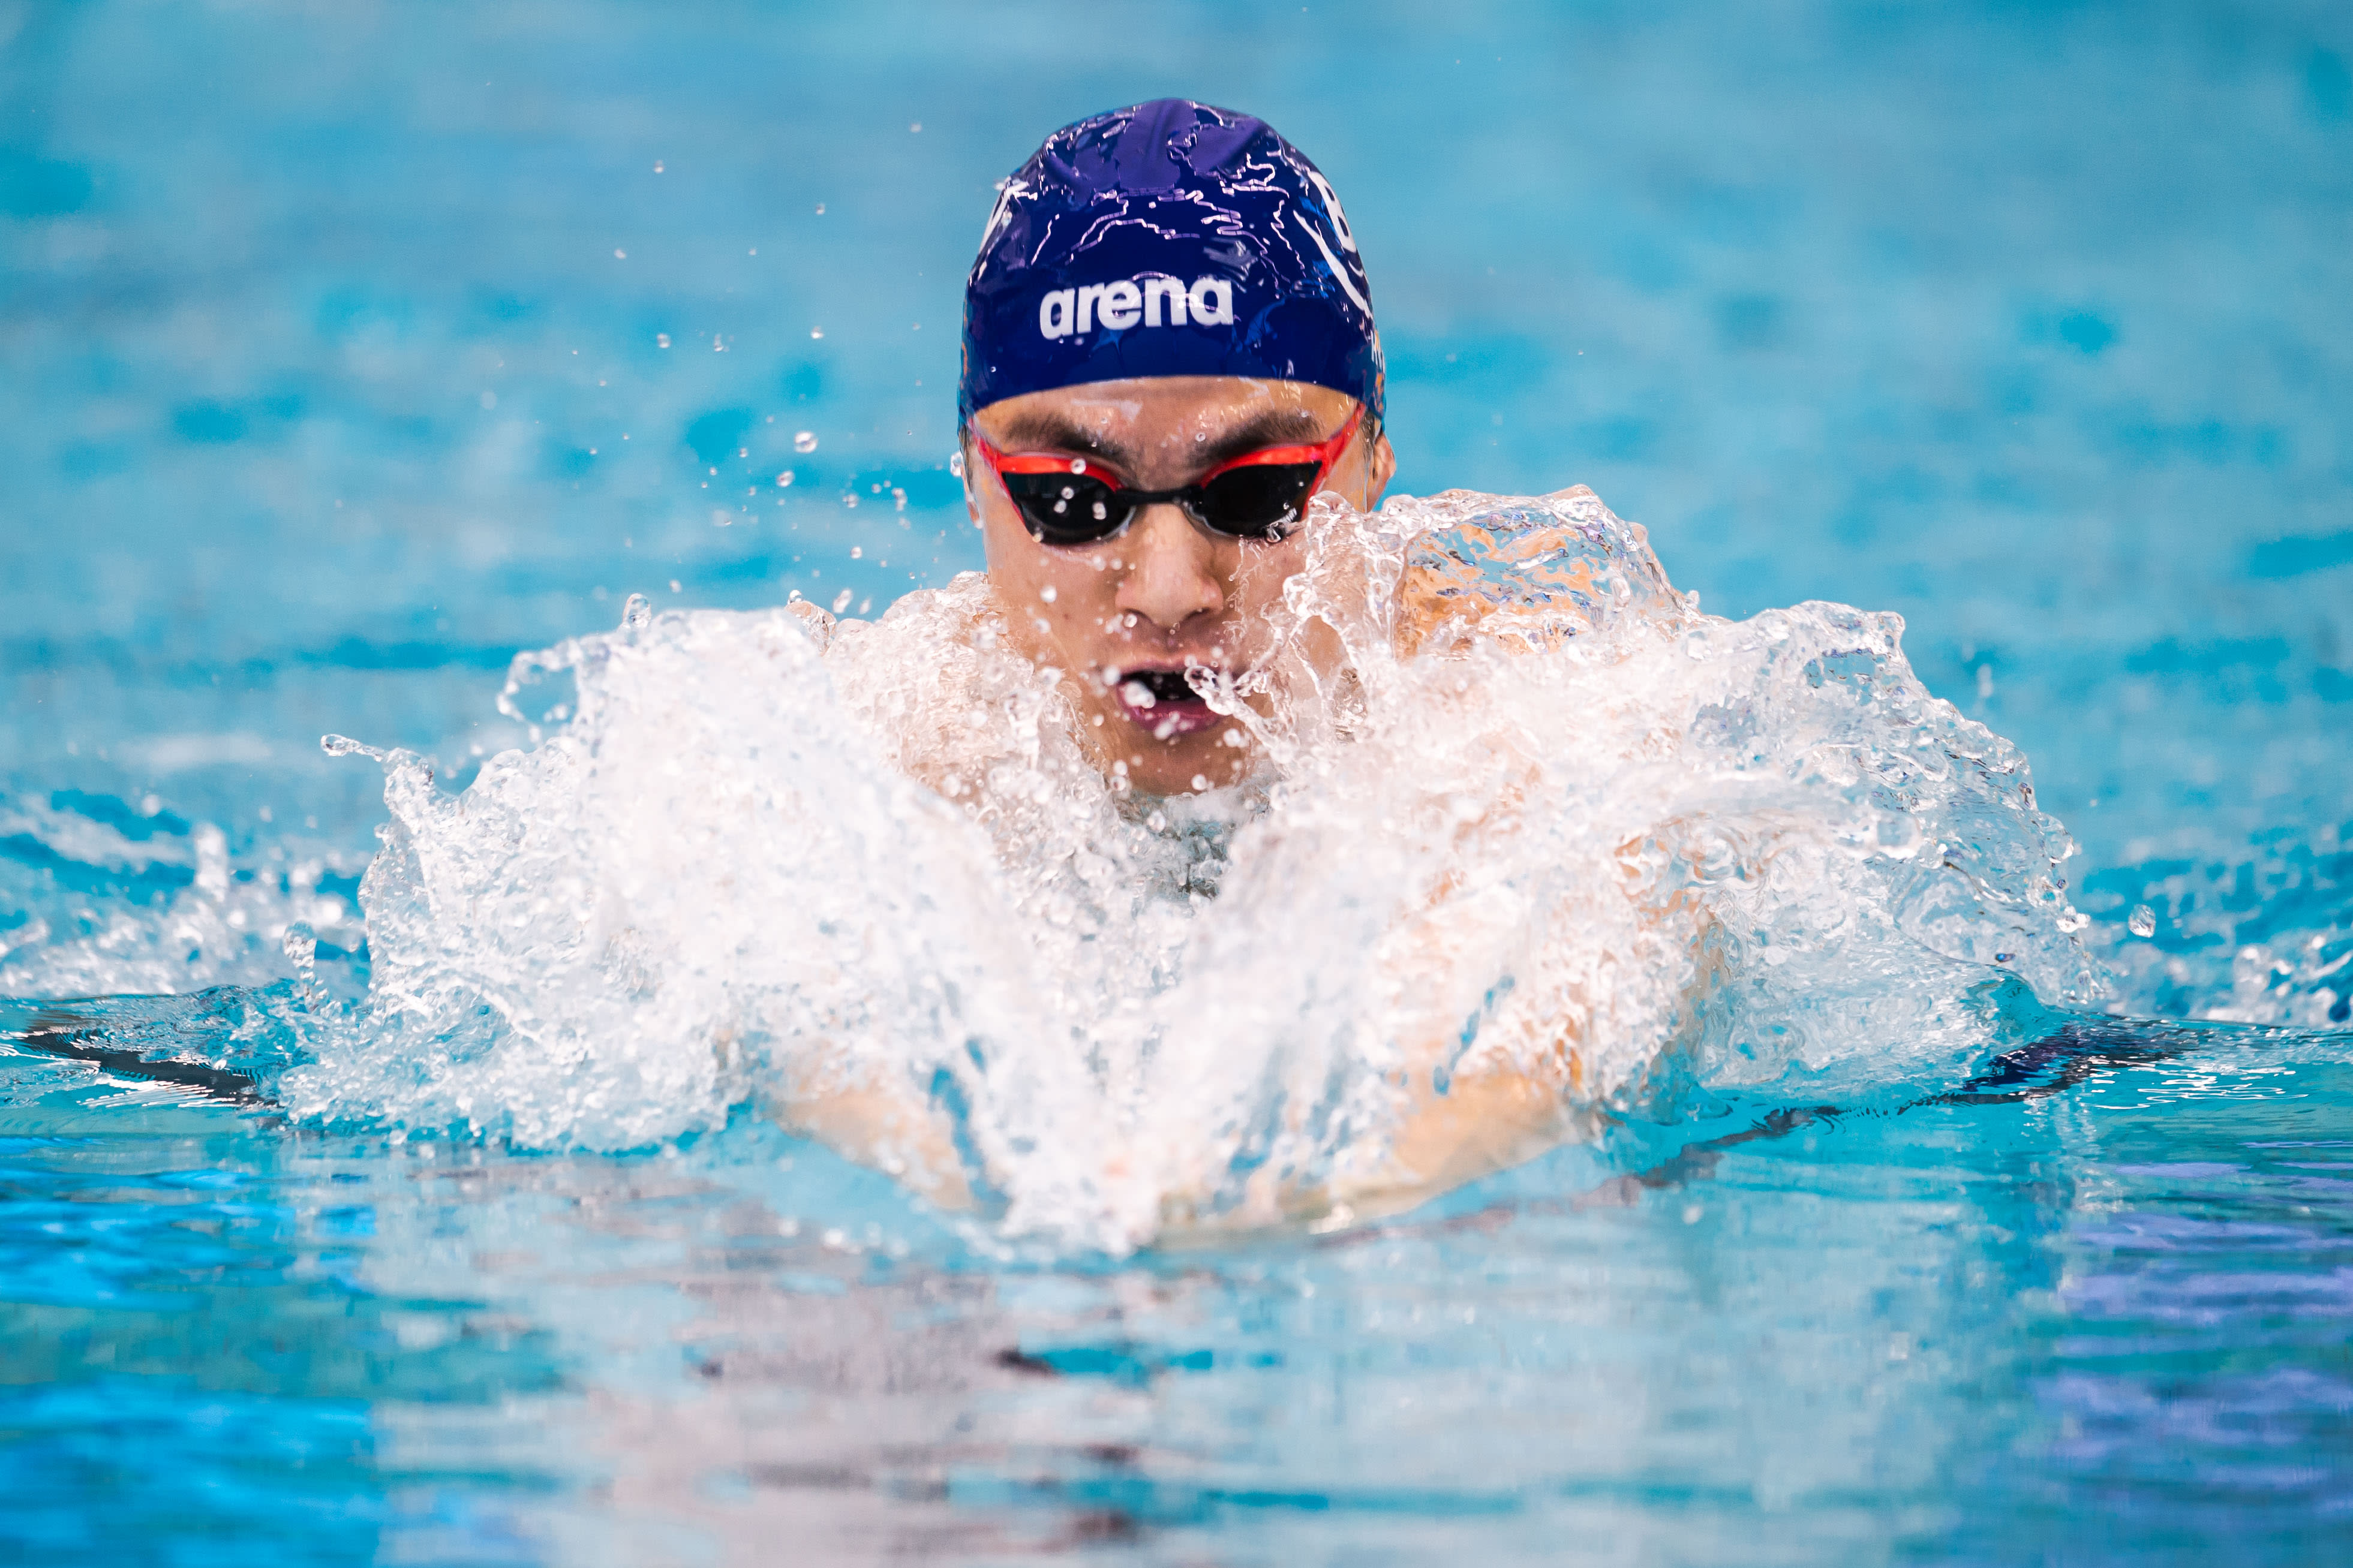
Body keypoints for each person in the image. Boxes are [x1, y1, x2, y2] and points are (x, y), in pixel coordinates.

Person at [783, 100, 1599, 1229]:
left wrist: (1248, 1221)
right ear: (972, 481)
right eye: (1072, 499)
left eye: (1257, 492)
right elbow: (776, 1021)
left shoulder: (1515, 722)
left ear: (1374, 462)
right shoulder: (892, 756)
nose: (1170, 591)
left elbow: (1574, 1017)